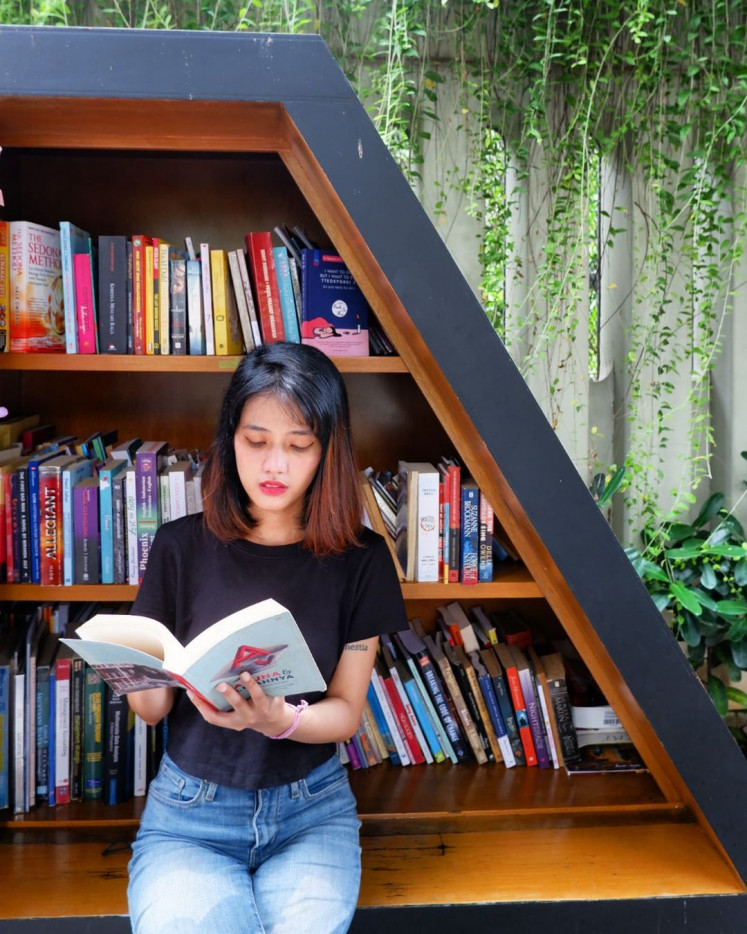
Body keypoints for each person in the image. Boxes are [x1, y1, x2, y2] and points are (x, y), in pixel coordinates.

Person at [127, 341, 407, 934]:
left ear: (327, 451)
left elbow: (346, 713)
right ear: (230, 440)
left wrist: (276, 720)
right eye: (256, 442)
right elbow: (151, 711)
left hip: (312, 811)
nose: (274, 465)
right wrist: (139, 668)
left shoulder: (362, 560)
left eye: (298, 445)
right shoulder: (179, 546)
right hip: (189, 817)